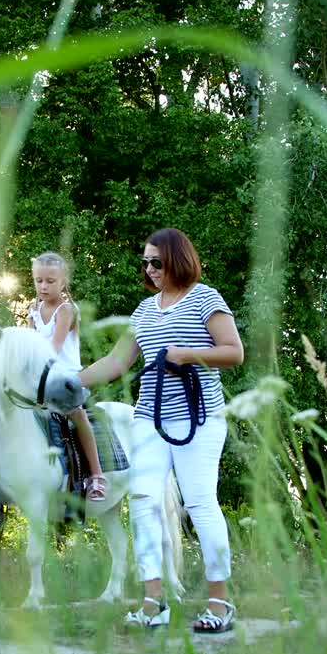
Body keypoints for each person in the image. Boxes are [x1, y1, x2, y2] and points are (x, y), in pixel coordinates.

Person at [78, 228, 243, 633]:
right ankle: (153, 603)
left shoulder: (205, 298)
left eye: (157, 262)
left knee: (200, 503)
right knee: (143, 503)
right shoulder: (144, 310)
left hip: (198, 418)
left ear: (177, 260)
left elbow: (233, 352)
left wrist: (186, 355)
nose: (149, 269)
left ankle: (220, 603)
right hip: (148, 419)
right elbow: (117, 362)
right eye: (145, 262)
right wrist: (69, 380)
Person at [27, 252, 107, 502]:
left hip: (64, 377)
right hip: (40, 376)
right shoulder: (33, 309)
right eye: (39, 280)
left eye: (50, 281)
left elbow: (54, 348)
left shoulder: (66, 310)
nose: (43, 286)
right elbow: (29, 343)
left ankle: (97, 475)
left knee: (76, 413)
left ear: (63, 282)